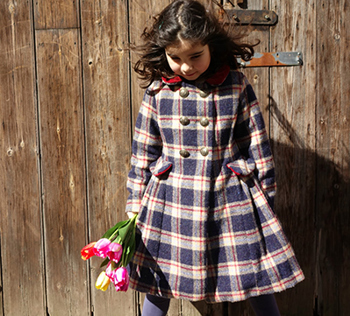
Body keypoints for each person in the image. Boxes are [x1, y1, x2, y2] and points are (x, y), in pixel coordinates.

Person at [126, 1, 304, 315]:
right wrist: (133, 210)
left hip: (230, 196)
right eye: (175, 58)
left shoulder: (235, 86)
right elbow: (143, 155)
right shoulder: (156, 93)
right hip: (172, 200)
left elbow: (256, 147)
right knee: (158, 280)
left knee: (254, 272)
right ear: (164, 52)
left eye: (195, 56)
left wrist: (266, 202)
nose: (186, 66)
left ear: (212, 45)